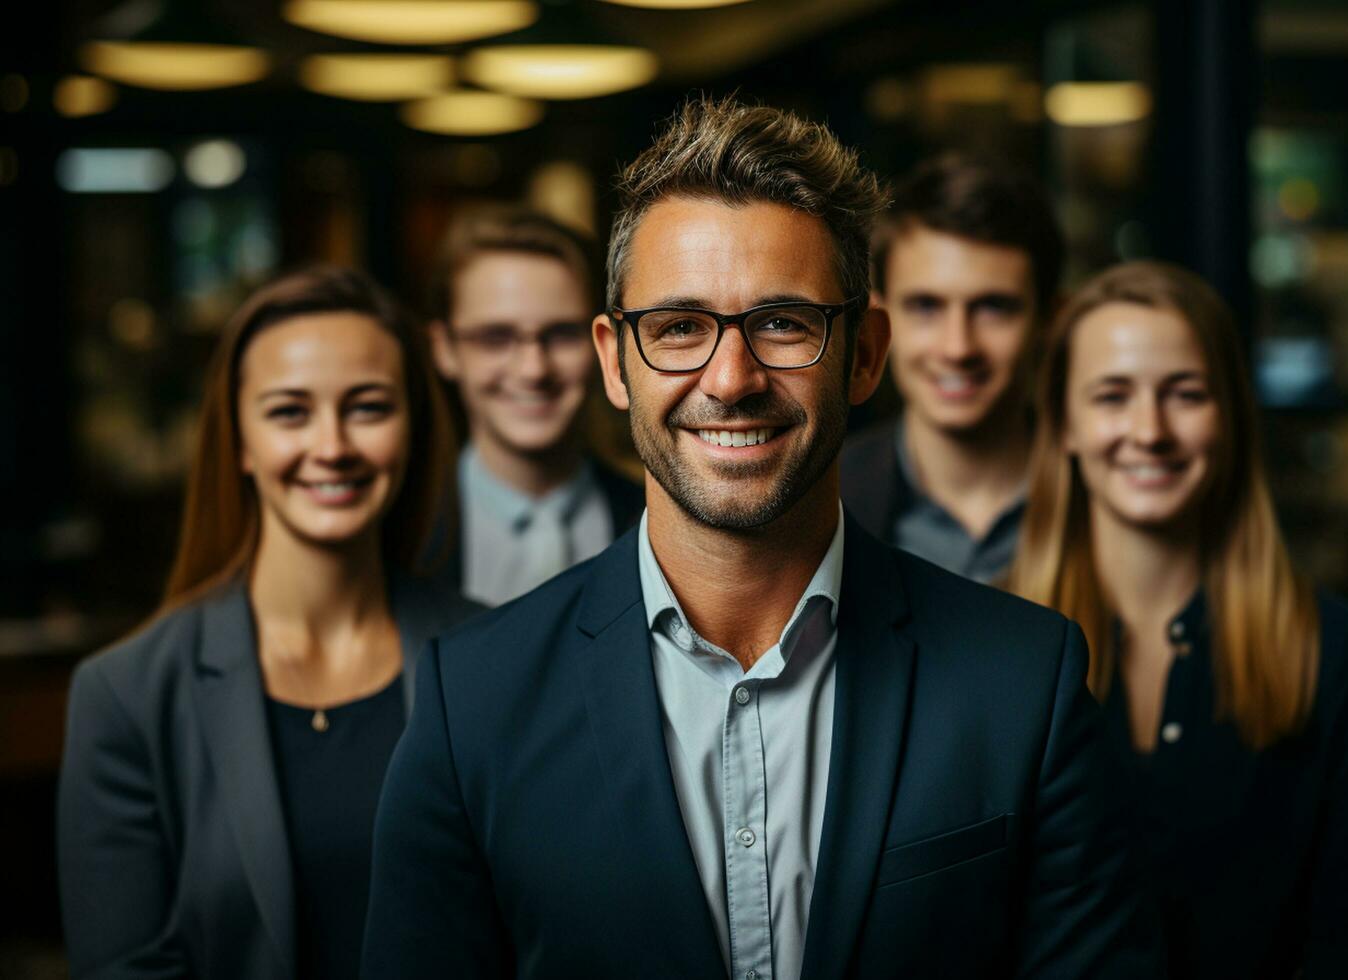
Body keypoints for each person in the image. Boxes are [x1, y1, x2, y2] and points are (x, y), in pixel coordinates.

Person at [363, 97, 1159, 979]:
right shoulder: (469, 699)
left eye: (783, 322)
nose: (731, 379)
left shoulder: (1023, 684)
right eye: (678, 328)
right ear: (612, 361)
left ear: (864, 354)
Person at [57, 267, 482, 980]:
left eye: (369, 407)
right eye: (289, 411)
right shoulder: (124, 695)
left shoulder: (495, 659)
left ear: (413, 427)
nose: (332, 445)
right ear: (241, 442)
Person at [1009, 261, 1348, 978]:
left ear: (1231, 418)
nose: (1150, 430)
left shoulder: (1336, 654)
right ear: (1064, 422)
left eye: (1185, 394)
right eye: (1112, 395)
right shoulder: (990, 649)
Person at [842, 153, 1062, 584]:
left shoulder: (1107, 496)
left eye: (994, 308)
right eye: (926, 306)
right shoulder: (821, 500)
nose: (958, 347)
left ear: (1050, 322)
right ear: (878, 325)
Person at [427, 205, 643, 605]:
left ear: (604, 346)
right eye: (495, 337)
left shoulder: (652, 519)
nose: (533, 370)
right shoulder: (401, 534)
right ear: (445, 349)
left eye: (561, 334)